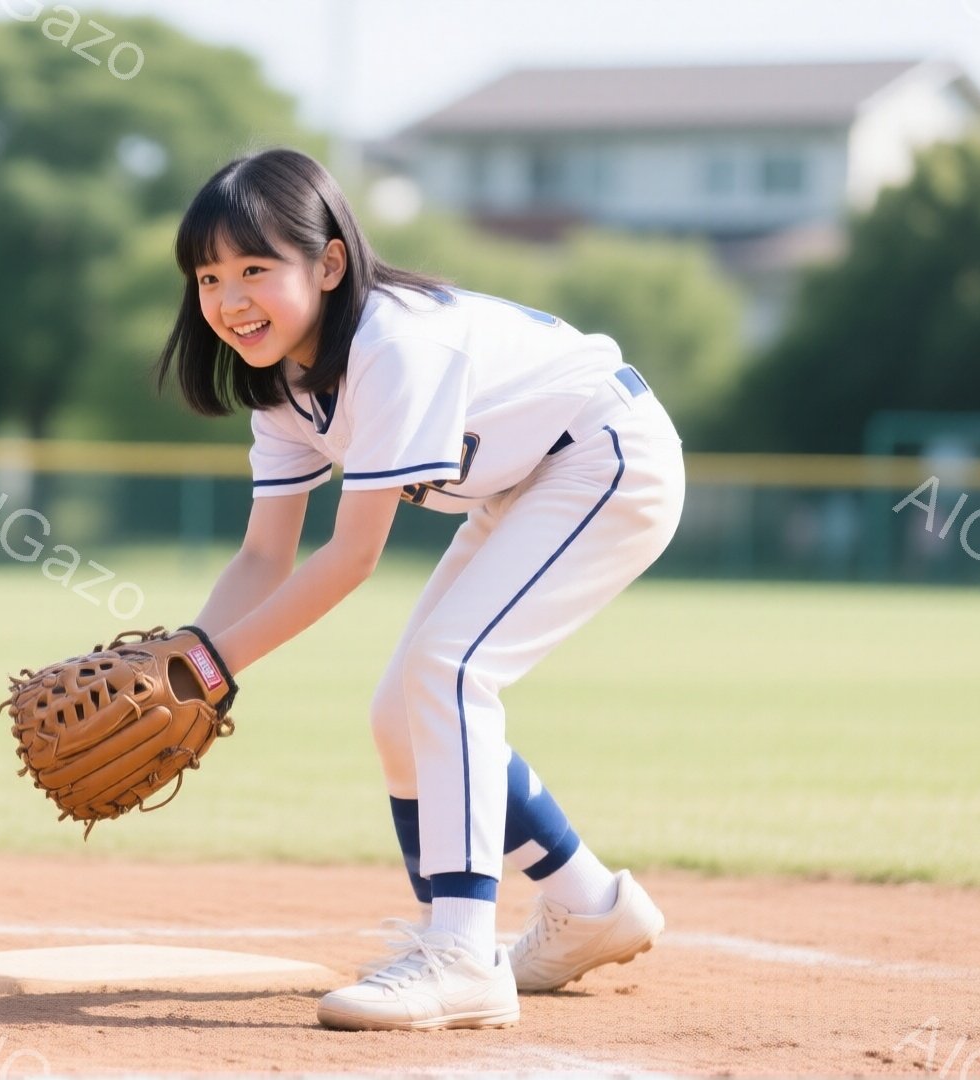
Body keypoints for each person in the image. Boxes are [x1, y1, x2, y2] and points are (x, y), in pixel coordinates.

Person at [155, 149, 686, 1031]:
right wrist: (177, 660)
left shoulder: (392, 347)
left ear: (328, 264)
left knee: (447, 671)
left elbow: (353, 555)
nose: (229, 297)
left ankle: (462, 958)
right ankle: (591, 905)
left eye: (256, 268)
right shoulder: (282, 389)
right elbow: (263, 558)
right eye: (209, 276)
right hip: (527, 484)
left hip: (606, 456)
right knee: (401, 712)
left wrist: (212, 675)